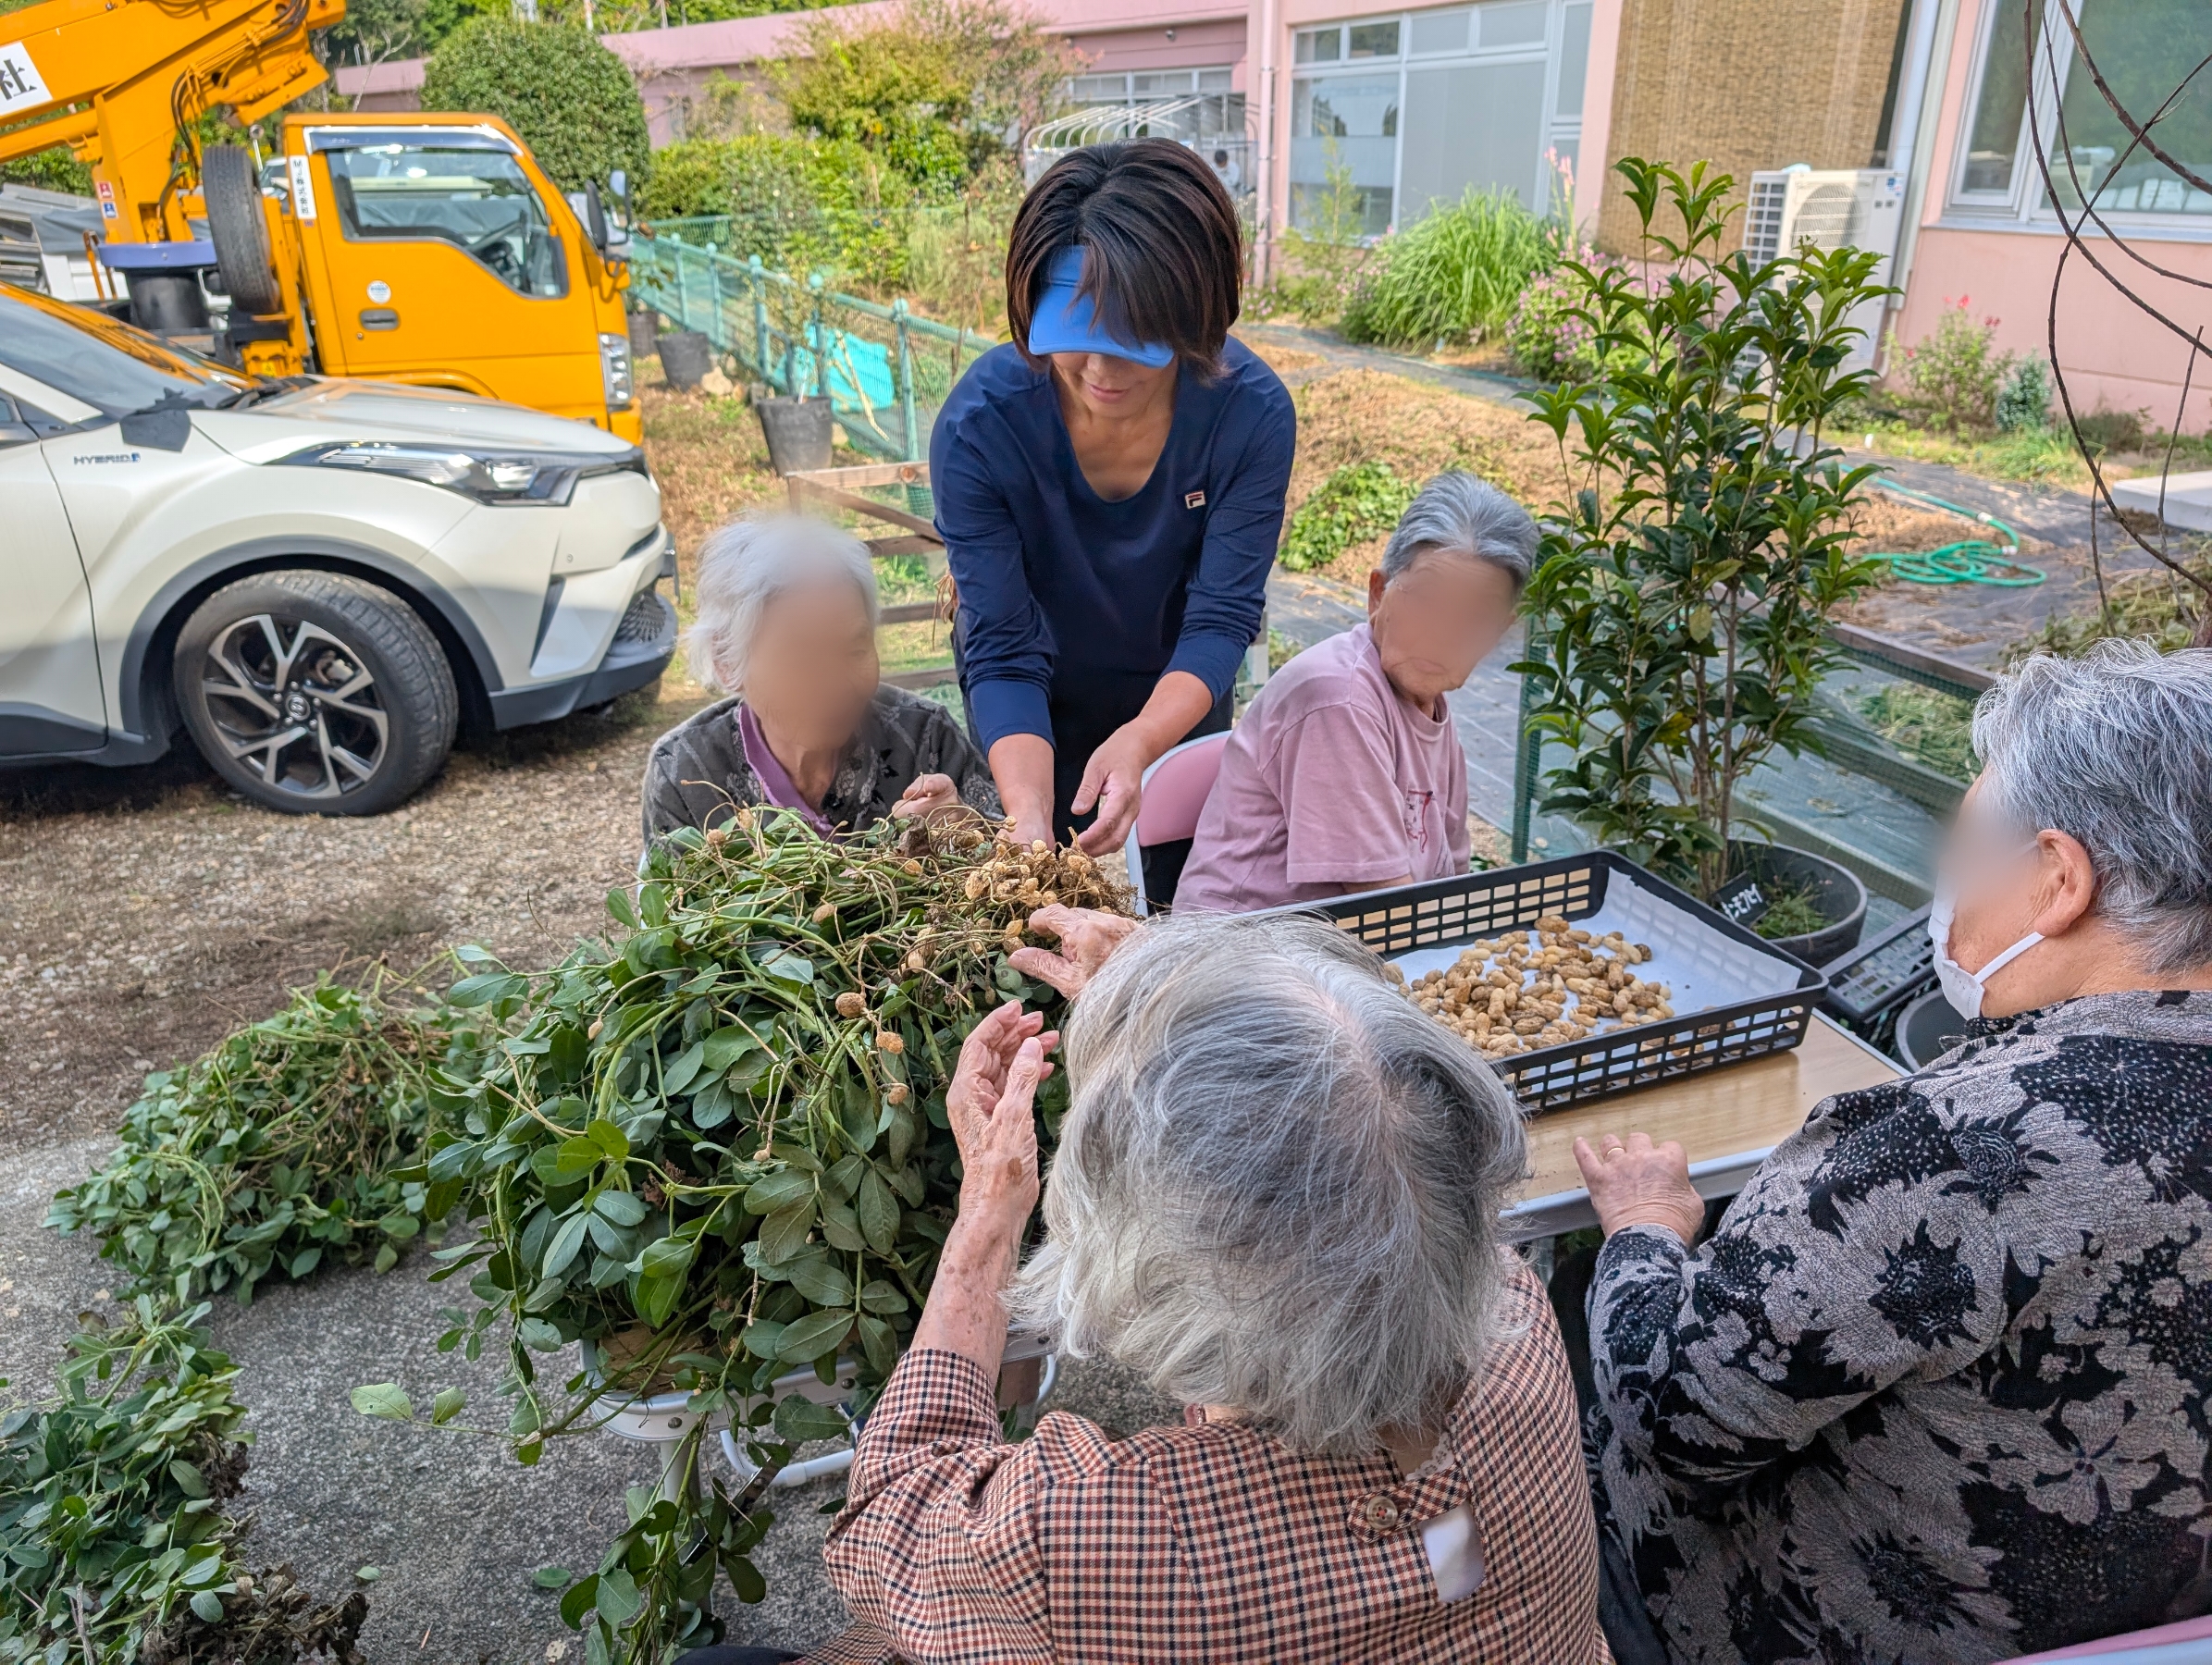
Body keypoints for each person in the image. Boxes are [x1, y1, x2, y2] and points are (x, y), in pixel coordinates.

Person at [1563, 641, 2212, 1665]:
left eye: (1962, 858)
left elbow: (1675, 1412)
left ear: (2057, 880)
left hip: (1794, 1616)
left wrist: (1647, 1226)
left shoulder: (1946, 1152)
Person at [804, 907, 1609, 1665]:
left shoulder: (1086, 1543)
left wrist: (988, 1212)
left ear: (1148, 1263)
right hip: (1452, 1590)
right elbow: (1438, 1563)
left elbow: (886, 1529)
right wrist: (1168, 1007)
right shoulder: (1517, 1319)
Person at [931, 138, 1295, 854]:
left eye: (1134, 338)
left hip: (1177, 700)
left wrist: (1143, 741)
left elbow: (1221, 617)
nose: (1099, 370)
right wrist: (1028, 816)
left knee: (1168, 904)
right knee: (1035, 890)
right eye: (1075, 336)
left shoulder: (1248, 416)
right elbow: (1001, 647)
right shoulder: (980, 430)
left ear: (1194, 312)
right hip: (1027, 718)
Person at [1174, 472, 1536, 913]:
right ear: (1378, 594)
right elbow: (1389, 909)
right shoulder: (1336, 699)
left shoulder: (1431, 708)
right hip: (1246, 958)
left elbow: (1451, 885)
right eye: (1429, 598)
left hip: (1338, 954)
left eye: (1473, 616)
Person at [641, 514, 997, 848]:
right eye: (804, 658)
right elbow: (678, 907)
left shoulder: (925, 738)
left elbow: (1017, 864)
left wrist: (972, 834)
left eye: (855, 649)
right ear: (726, 661)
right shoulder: (686, 774)